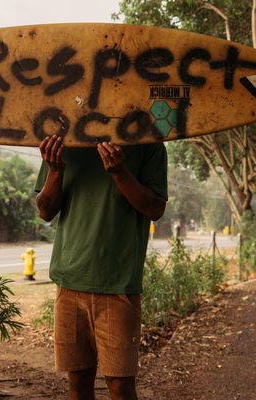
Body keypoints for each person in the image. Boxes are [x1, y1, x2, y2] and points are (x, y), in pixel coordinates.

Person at [35, 134, 167, 400]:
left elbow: (155, 209)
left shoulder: (149, 143)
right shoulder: (64, 140)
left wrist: (120, 173)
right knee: (78, 382)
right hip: (69, 284)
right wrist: (55, 170)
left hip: (118, 286)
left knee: (120, 386)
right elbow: (45, 211)